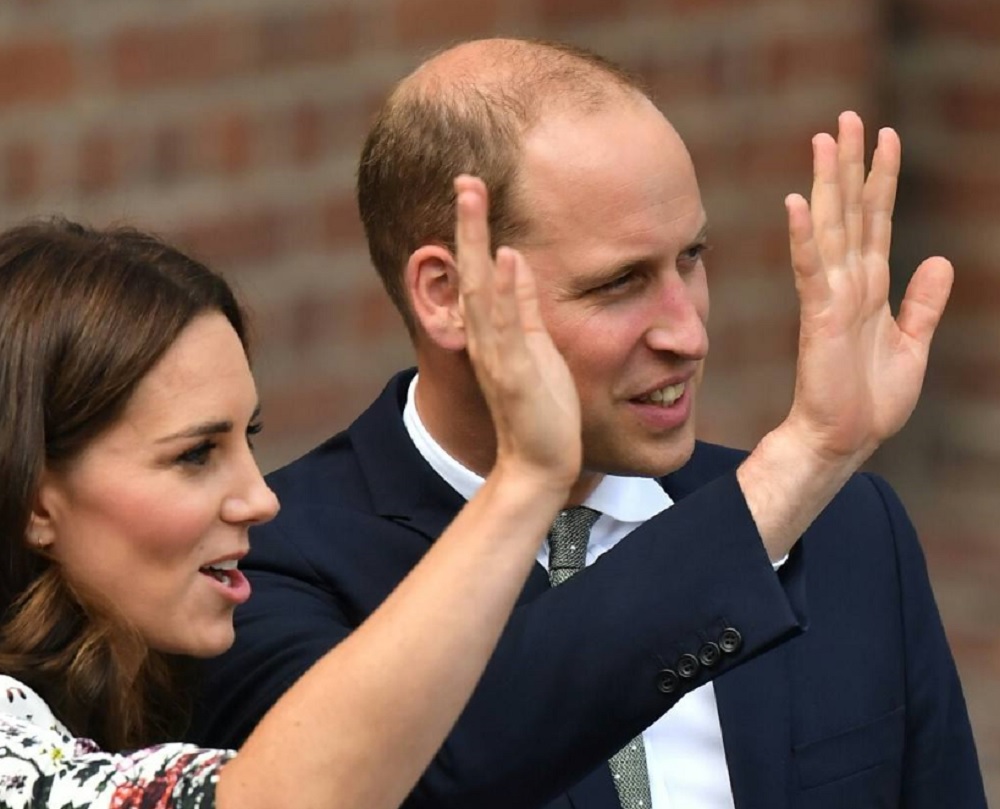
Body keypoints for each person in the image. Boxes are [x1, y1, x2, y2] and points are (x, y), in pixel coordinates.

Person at [194, 38, 986, 809]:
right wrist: (807, 456)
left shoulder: (847, 529)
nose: (688, 332)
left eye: (691, 258)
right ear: (446, 294)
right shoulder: (256, 571)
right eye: (619, 283)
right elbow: (444, 768)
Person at [0, 205, 590, 809]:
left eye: (246, 437)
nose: (260, 499)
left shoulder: (162, 695)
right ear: (35, 502)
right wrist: (525, 480)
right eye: (196, 454)